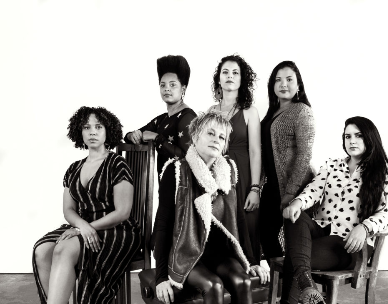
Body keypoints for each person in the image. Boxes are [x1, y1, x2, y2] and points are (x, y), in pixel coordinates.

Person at [153, 111, 270, 304]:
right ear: (195, 136)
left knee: (242, 281)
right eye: (210, 133)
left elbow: (239, 220)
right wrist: (161, 276)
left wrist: (253, 260)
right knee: (214, 287)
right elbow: (162, 224)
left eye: (222, 136)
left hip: (219, 253)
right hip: (187, 253)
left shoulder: (228, 170)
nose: (217, 140)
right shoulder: (176, 171)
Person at [258, 116, 388, 304]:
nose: (352, 140)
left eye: (358, 135)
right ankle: (306, 282)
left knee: (294, 259)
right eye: (347, 136)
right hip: (320, 234)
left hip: (348, 244)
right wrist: (298, 202)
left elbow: (385, 214)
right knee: (294, 216)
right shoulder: (332, 165)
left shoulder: (382, 172)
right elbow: (312, 191)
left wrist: (364, 227)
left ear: (370, 137)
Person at [23, 107, 142, 304]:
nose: (92, 132)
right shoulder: (74, 168)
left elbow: (122, 212)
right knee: (41, 250)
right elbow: (68, 210)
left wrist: (85, 229)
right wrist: (80, 227)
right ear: (80, 132)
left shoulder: (117, 164)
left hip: (116, 229)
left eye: (98, 127)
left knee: (63, 250)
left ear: (108, 131)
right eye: (87, 127)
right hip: (82, 225)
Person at [259, 61, 315, 262]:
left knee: (293, 241)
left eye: (289, 79)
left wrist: (291, 192)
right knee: (264, 233)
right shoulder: (272, 112)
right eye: (278, 80)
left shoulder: (301, 111)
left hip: (295, 187)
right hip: (272, 185)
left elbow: (304, 155)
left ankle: (292, 278)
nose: (283, 84)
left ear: (298, 85)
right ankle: (280, 276)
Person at [209, 54, 262, 262]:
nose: (230, 76)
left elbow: (255, 151)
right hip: (218, 179)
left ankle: (251, 273)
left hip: (244, 178)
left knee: (247, 228)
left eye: (235, 72)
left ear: (242, 80)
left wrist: (255, 188)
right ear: (219, 79)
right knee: (220, 230)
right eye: (225, 72)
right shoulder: (211, 112)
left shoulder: (249, 111)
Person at [124, 55, 197, 176]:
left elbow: (187, 157)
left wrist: (157, 137)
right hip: (164, 181)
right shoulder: (162, 119)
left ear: (183, 89)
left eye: (172, 85)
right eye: (163, 85)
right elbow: (133, 135)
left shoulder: (187, 117)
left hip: (183, 184)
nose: (166, 89)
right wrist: (132, 135)